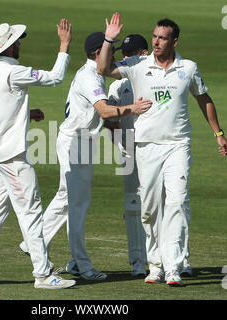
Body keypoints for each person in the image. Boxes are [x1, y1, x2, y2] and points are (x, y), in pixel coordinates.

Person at [97, 13, 227, 286]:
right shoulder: (137, 65)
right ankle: (155, 264)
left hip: (177, 144)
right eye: (154, 37)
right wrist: (109, 39)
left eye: (162, 38)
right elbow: (102, 69)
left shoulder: (189, 68)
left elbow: (204, 99)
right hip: (146, 146)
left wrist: (218, 133)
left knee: (177, 201)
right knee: (150, 207)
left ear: (174, 41)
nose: (156, 42)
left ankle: (173, 266)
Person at [21, 32, 152, 281]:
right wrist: (132, 109)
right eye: (109, 51)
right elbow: (104, 111)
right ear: (96, 53)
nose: (111, 57)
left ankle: (33, 242)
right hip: (76, 144)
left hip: (77, 141)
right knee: (78, 207)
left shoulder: (90, 73)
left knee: (65, 197)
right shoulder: (90, 76)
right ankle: (81, 264)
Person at [0, 19, 76, 289]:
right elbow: (55, 78)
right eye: (16, 41)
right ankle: (43, 274)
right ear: (8, 46)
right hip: (12, 156)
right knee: (30, 211)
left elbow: (2, 108)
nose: (19, 44)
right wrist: (64, 46)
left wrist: (27, 112)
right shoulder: (13, 71)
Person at [106, 34, 149, 277]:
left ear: (143, 54)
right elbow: (109, 119)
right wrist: (121, 144)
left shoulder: (154, 80)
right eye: (122, 54)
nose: (124, 58)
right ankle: (137, 261)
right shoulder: (117, 85)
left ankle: (171, 259)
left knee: (163, 204)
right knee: (133, 206)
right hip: (129, 154)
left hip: (155, 149)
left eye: (129, 54)